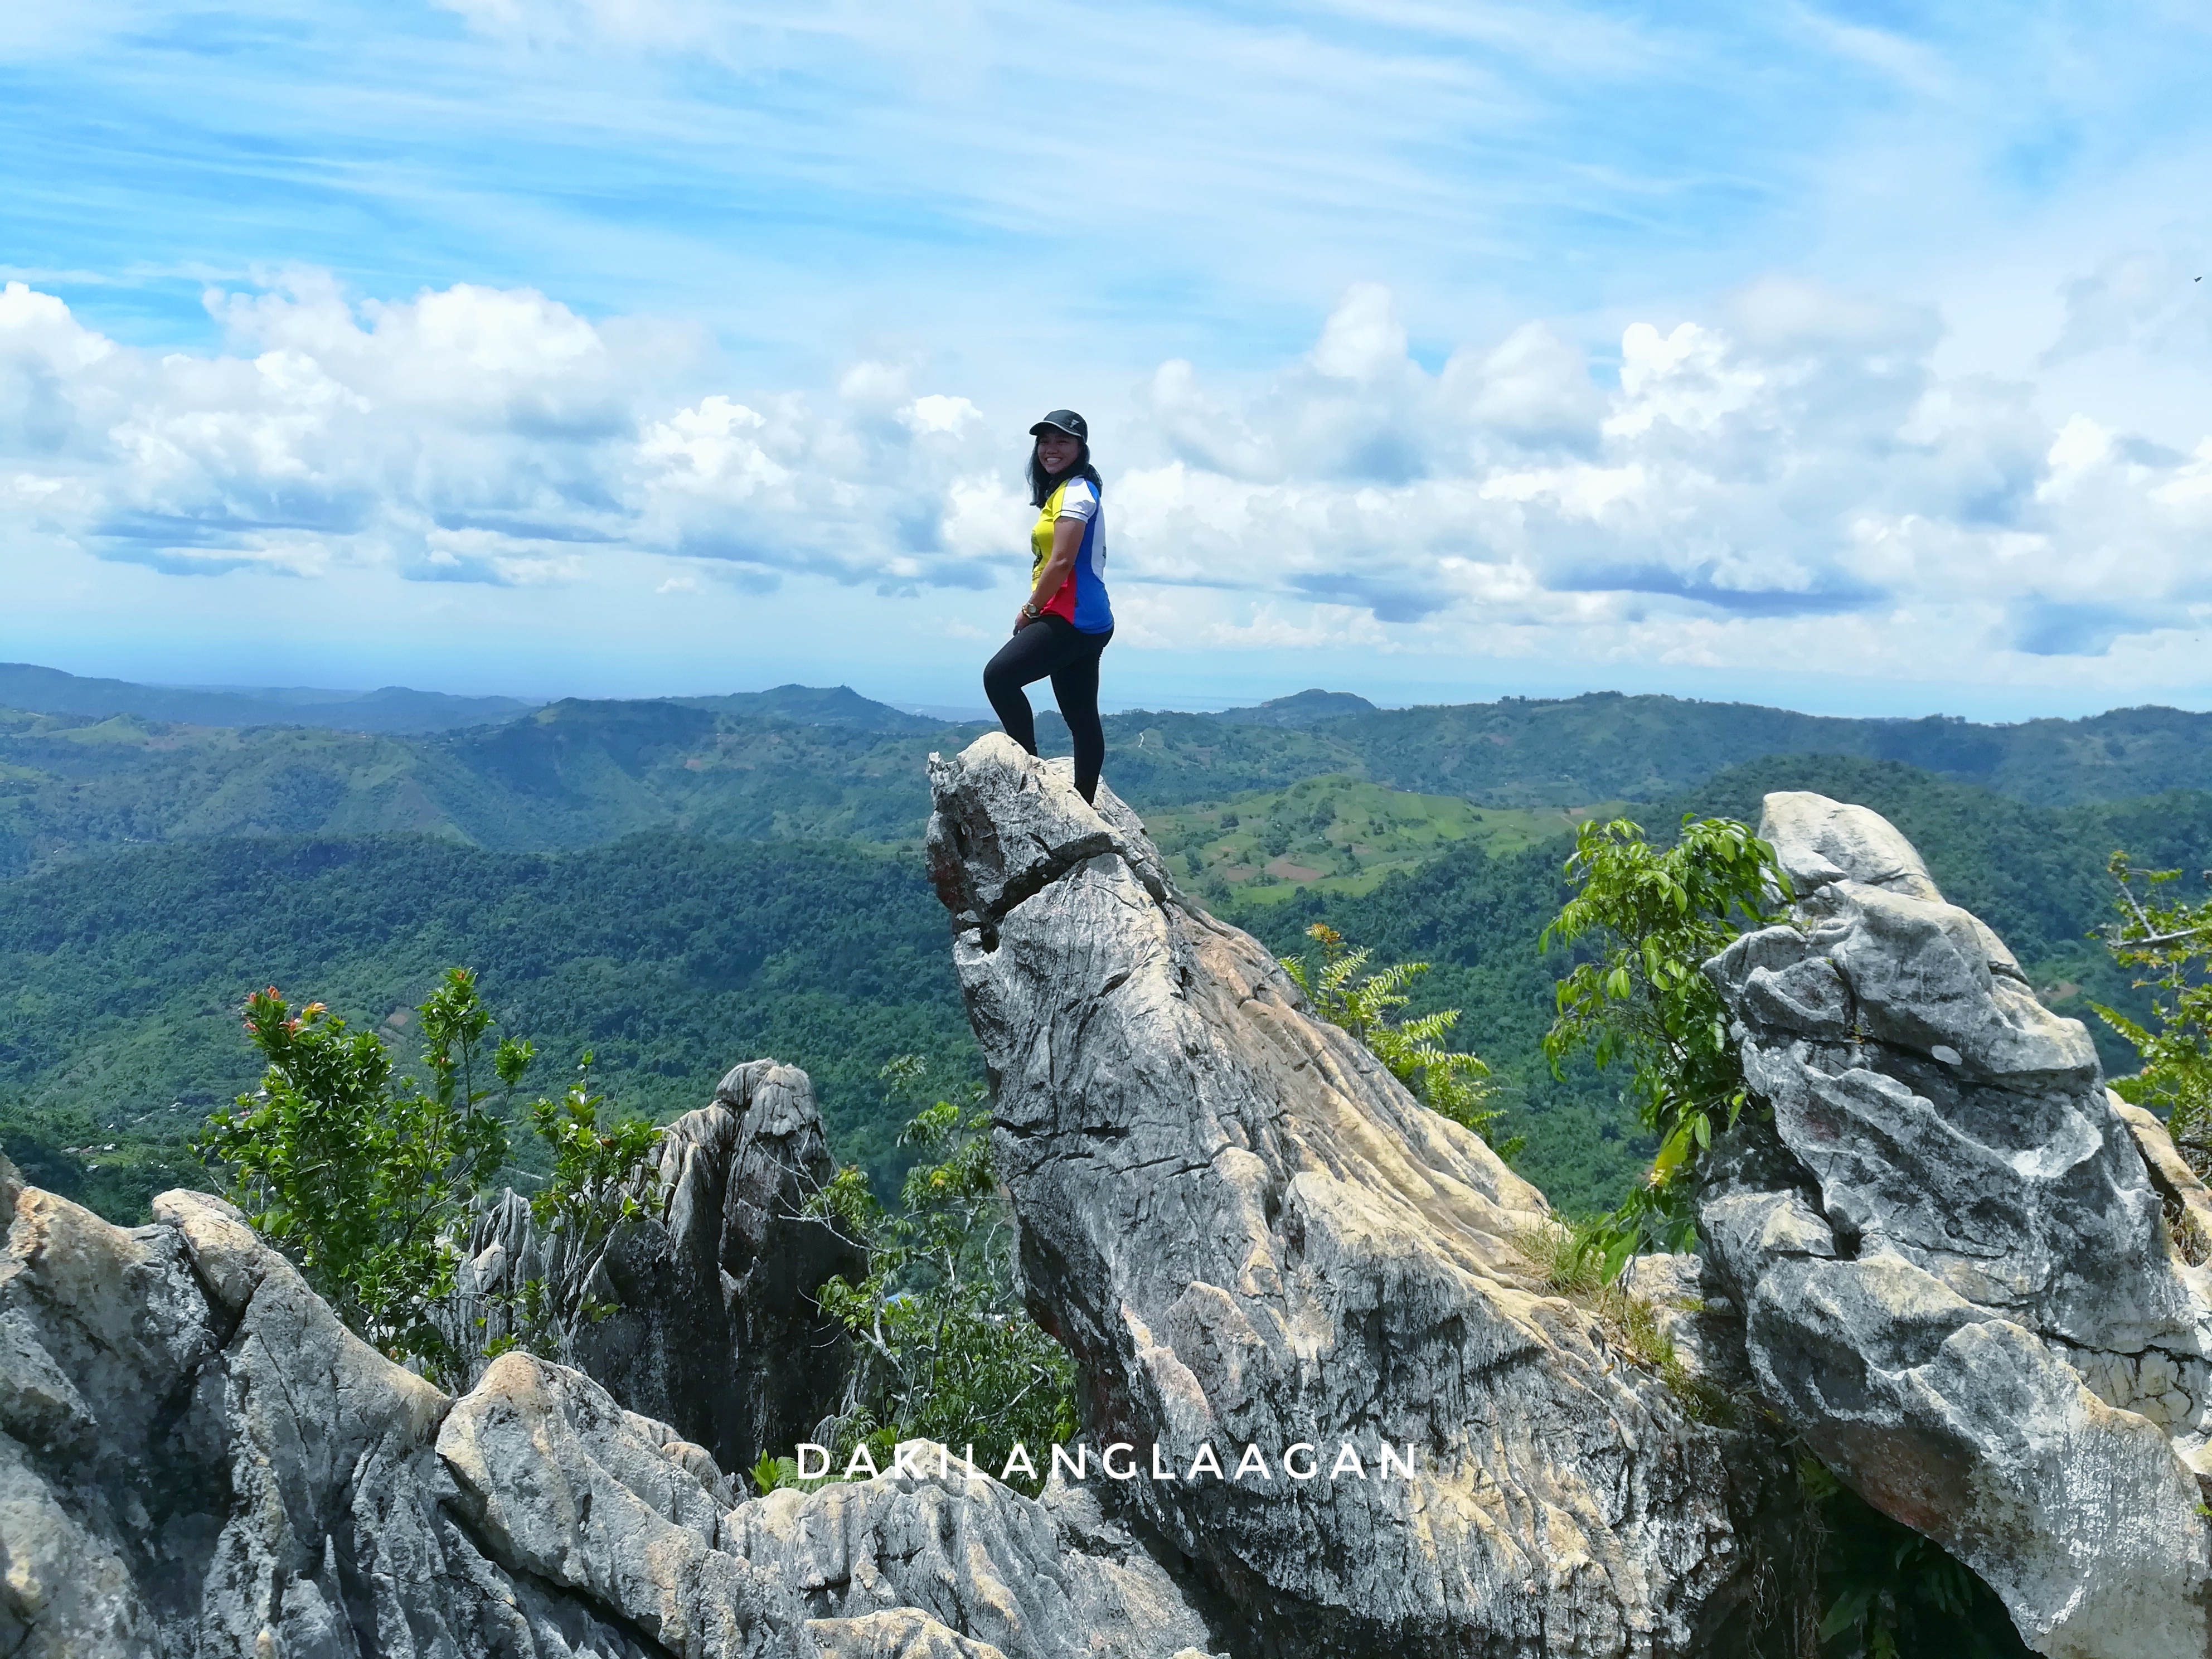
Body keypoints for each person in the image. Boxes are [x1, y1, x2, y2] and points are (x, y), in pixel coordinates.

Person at [982, 409, 1114, 804]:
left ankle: (1028, 772)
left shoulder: (1076, 492)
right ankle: (1084, 804)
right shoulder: (1063, 491)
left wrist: (1031, 610)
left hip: (1071, 617)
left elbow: (1061, 562)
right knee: (1081, 716)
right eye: (1045, 441)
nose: (1051, 449)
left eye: (1063, 441)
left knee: (999, 677)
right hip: (1084, 618)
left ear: (1080, 448)